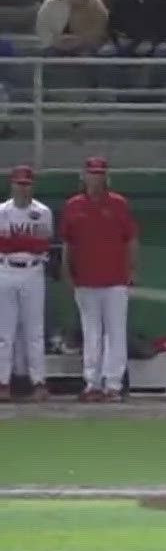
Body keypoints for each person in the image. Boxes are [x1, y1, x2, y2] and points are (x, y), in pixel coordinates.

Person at [61, 157, 138, 402]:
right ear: (84, 176)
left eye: (100, 174)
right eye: (92, 174)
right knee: (91, 333)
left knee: (115, 333)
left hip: (116, 279)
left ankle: (113, 384)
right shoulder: (73, 205)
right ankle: (92, 383)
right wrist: (66, 271)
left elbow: (132, 239)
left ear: (106, 176)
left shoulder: (118, 203)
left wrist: (132, 270)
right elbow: (67, 242)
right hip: (85, 279)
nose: (96, 178)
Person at [0, 165, 53, 401]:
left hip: (33, 271)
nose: (23, 188)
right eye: (19, 183)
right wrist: (22, 242)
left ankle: (39, 381)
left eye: (27, 184)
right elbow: (4, 245)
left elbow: (41, 245)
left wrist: (17, 241)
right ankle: (3, 382)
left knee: (34, 330)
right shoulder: (2, 211)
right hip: (5, 269)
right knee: (4, 332)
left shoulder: (42, 212)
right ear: (12, 185)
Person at [37, 0, 109, 59]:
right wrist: (56, 42)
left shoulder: (95, 4)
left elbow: (99, 32)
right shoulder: (51, 3)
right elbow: (43, 29)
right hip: (56, 47)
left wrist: (80, 41)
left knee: (86, 55)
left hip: (85, 48)